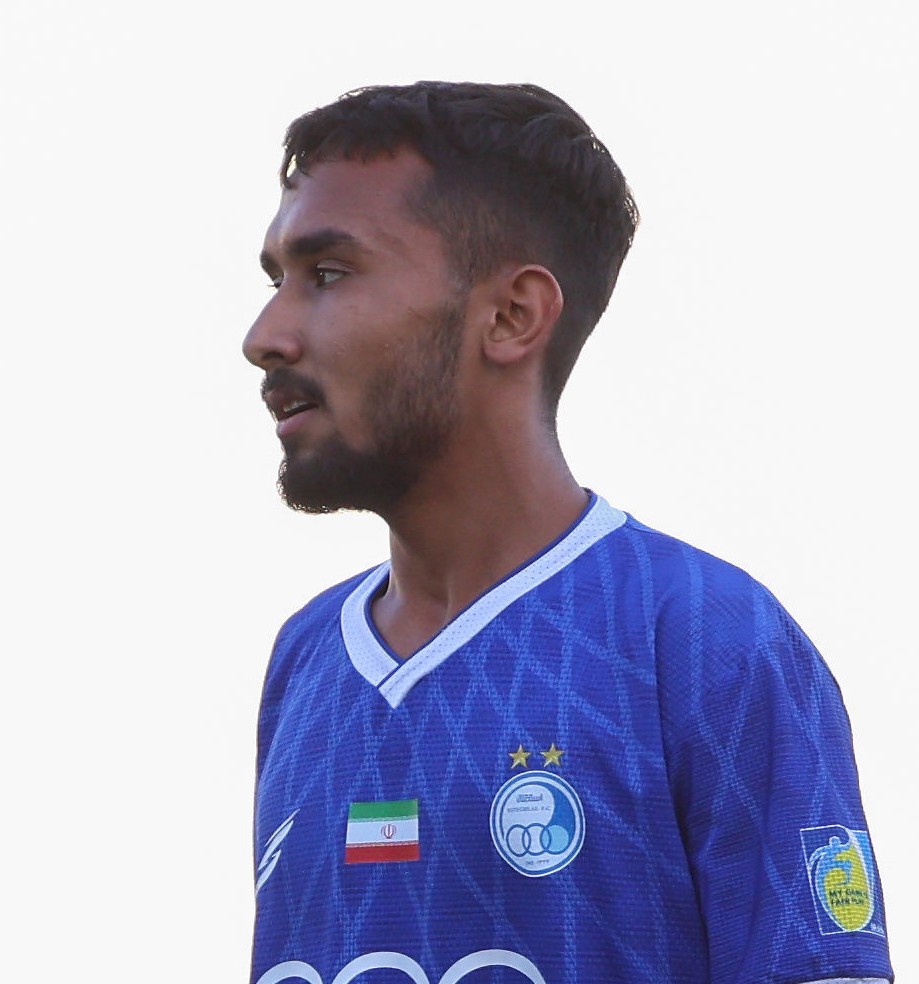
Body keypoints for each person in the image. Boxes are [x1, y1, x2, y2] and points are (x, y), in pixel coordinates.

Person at [242, 81, 893, 984]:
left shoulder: (706, 638)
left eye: (328, 274)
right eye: (275, 281)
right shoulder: (305, 659)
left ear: (511, 316)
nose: (264, 335)